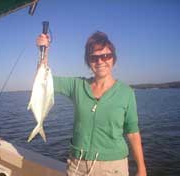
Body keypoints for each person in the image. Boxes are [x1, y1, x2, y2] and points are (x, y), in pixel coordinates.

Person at [36, 31, 146, 176]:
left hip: (113, 167)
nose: (100, 61)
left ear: (113, 59)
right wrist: (44, 51)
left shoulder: (126, 93)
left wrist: (141, 168)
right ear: (88, 62)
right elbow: (43, 79)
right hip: (78, 166)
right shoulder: (77, 85)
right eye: (94, 57)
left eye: (105, 56)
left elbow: (132, 132)